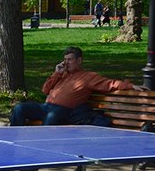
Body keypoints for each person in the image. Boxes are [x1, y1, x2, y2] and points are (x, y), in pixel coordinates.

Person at [10, 47, 148, 126]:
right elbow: (45, 90)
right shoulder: (62, 74)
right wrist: (56, 73)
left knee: (52, 116)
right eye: (65, 60)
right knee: (20, 108)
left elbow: (109, 83)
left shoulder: (88, 77)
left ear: (79, 60)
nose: (66, 63)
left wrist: (130, 86)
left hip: (64, 110)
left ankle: (42, 152)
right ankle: (13, 141)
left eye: (69, 60)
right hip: (45, 106)